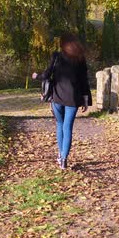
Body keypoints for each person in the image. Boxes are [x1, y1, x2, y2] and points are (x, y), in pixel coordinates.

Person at [32, 33, 92, 170]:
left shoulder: (57, 56)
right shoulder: (80, 59)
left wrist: (36, 76)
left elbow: (47, 75)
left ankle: (60, 155)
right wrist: (85, 99)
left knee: (60, 124)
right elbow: (84, 81)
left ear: (62, 44)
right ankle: (64, 159)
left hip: (57, 97)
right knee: (68, 127)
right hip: (73, 99)